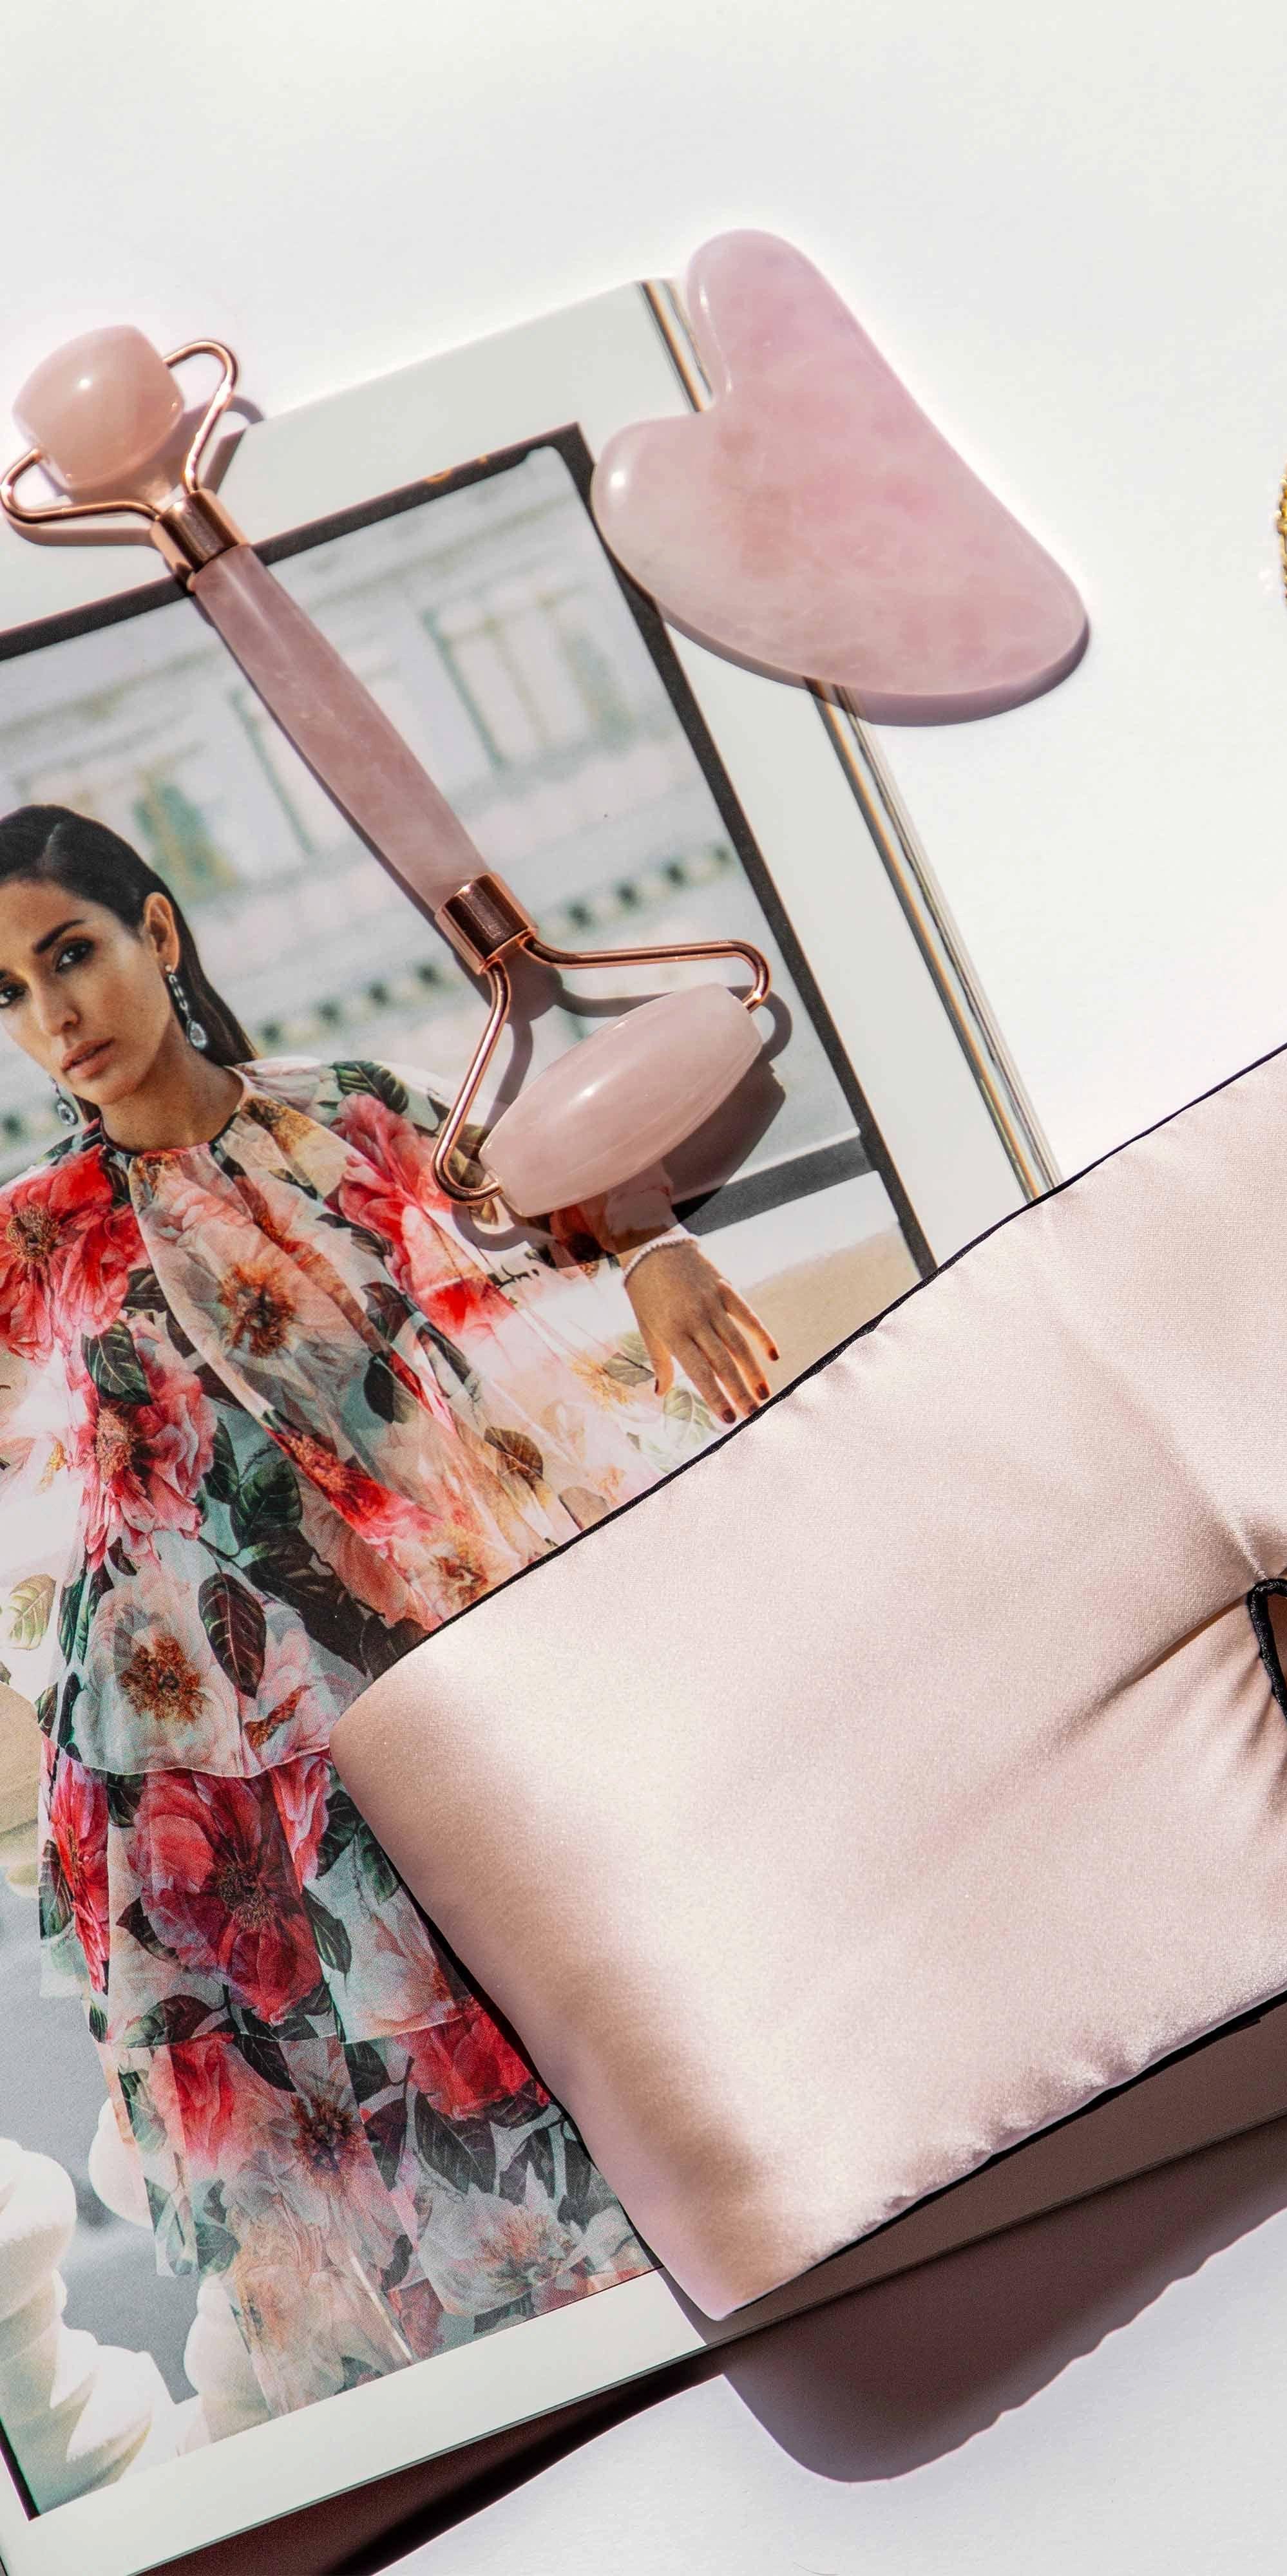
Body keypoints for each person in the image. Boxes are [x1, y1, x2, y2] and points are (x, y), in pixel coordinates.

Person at [0, 805, 776, 2419]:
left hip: (441, 1672)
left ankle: (697, 2345)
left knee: (559, 2030)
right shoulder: (27, 1233)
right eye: (7, 994)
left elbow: (537, 1232)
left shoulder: (349, 1110)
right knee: (351, 2129)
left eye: (69, 951)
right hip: (217, 1779)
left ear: (159, 930)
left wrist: (656, 1250)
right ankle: (523, 2430)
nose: (52, 1012)